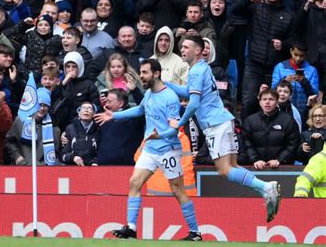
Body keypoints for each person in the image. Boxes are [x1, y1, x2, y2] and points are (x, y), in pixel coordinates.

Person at [165, 35, 281, 223]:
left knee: (224, 169)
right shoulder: (203, 68)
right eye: (182, 47)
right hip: (224, 120)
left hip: (215, 125)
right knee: (233, 166)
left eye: (186, 47)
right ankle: (266, 190)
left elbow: (193, 104)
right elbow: (189, 92)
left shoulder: (196, 71)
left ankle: (266, 187)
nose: (182, 50)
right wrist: (166, 85)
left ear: (198, 50)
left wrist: (178, 123)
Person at [95, 59, 202, 241]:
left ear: (157, 73)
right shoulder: (150, 94)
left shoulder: (169, 97)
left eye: (145, 73)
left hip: (168, 149)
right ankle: (131, 227)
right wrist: (114, 115)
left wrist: (159, 136)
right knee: (134, 183)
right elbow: (139, 110)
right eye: (141, 72)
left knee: (177, 190)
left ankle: (195, 232)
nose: (141, 76)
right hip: (150, 148)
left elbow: (174, 129)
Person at [243, 89, 300, 169]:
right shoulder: (250, 120)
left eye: (271, 99)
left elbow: (293, 143)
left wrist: (279, 160)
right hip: (255, 167)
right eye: (264, 99)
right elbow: (246, 143)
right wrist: (255, 159)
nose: (267, 102)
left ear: (277, 102)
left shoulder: (288, 120)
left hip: (281, 167)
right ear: (260, 102)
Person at [4, 87, 61, 165]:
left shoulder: (54, 128)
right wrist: (18, 157)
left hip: (44, 170)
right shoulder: (20, 121)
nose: (42, 108)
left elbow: (55, 152)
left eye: (45, 105)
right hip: (21, 167)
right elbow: (9, 141)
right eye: (39, 104)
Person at [272, 41, 319, 121]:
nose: (298, 58)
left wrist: (304, 82)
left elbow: (314, 95)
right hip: (283, 109)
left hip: (304, 110)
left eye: (302, 56)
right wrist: (284, 81)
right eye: (296, 55)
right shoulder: (280, 67)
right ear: (291, 51)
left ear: (306, 54)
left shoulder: (312, 70)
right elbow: (273, 90)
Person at [97, 88, 144, 165]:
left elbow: (145, 108)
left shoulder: (133, 119)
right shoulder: (104, 118)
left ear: (120, 103)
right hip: (102, 168)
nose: (106, 104)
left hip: (124, 168)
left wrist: (135, 90)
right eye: (106, 101)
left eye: (109, 101)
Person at [60, 101, 99, 166]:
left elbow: (103, 153)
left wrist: (95, 162)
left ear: (94, 114)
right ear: (79, 113)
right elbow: (62, 155)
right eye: (83, 108)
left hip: (93, 168)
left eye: (89, 108)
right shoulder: (70, 129)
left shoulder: (99, 129)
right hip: (73, 167)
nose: (86, 110)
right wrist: (72, 157)